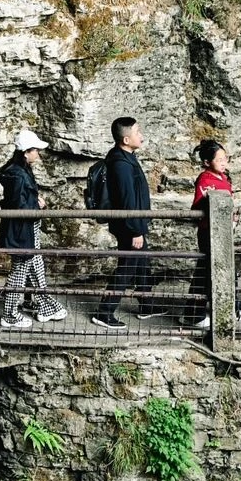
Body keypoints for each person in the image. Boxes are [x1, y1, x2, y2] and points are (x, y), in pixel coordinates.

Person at [92, 117, 161, 329]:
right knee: (127, 267)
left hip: (133, 224)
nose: (142, 136)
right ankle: (104, 312)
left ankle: (146, 306)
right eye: (137, 132)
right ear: (125, 138)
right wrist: (135, 231)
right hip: (129, 226)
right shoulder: (120, 163)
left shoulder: (126, 156)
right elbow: (126, 200)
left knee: (141, 264)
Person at [0, 128, 66, 331]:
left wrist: (34, 199)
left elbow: (17, 199)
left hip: (24, 229)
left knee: (35, 266)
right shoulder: (18, 175)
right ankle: (9, 314)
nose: (38, 153)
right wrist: (37, 206)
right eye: (35, 149)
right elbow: (20, 207)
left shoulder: (17, 170)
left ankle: (45, 305)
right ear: (26, 151)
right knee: (19, 271)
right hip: (22, 230)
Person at [188, 139, 241, 330]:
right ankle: (195, 313)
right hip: (209, 232)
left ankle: (197, 312)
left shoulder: (222, 178)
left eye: (225, 158)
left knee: (216, 268)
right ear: (207, 163)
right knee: (208, 270)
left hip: (223, 231)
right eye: (219, 160)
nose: (224, 162)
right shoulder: (205, 179)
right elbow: (199, 204)